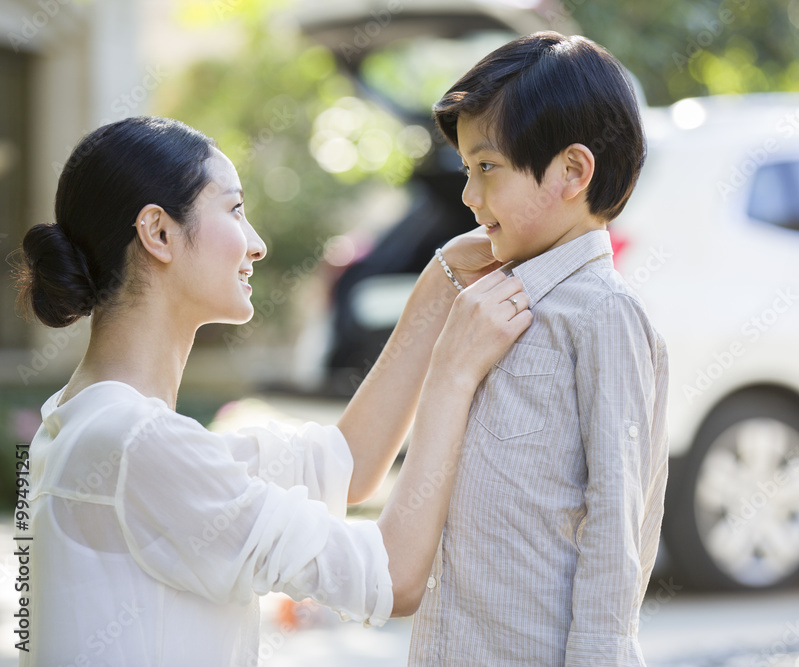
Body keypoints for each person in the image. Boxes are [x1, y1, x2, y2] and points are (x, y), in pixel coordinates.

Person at [12, 115, 531, 666]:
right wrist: (454, 372)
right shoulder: (136, 444)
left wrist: (442, 276)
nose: (255, 245)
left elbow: (348, 465)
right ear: (158, 233)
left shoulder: (82, 423)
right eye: (235, 209)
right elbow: (393, 577)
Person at [408, 32, 670, 665]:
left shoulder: (603, 316)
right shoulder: (489, 304)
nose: (470, 197)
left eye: (488, 168)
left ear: (573, 171)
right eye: (468, 171)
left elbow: (617, 514)